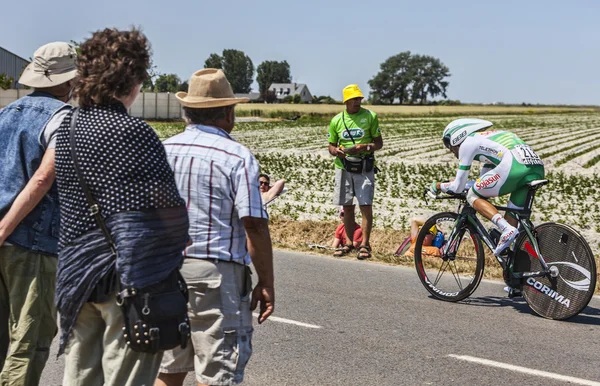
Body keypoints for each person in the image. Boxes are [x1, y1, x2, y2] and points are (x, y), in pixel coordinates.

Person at [54, 28, 189, 385]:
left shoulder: (67, 128)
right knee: (126, 377)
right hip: (127, 279)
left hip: (77, 274)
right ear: (131, 78)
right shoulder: (133, 132)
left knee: (79, 375)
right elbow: (166, 210)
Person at [156, 68, 275, 386]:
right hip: (215, 274)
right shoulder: (237, 156)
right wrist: (266, 280)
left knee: (167, 369)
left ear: (187, 113)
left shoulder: (163, 151)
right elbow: (254, 224)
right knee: (217, 373)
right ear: (227, 113)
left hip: (165, 272)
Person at [0, 41, 76, 385]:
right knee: (29, 339)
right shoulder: (62, 117)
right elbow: (44, 176)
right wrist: (6, 227)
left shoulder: (6, 112)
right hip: (30, 241)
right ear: (69, 82)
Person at [429, 118, 545, 258]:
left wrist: (438, 186)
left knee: (472, 196)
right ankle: (513, 262)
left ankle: (505, 228)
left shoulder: (467, 143)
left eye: (447, 143)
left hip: (514, 165)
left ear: (456, 136)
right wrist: (461, 185)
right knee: (513, 215)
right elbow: (482, 183)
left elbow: (459, 187)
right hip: (536, 167)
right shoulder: (488, 144)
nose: (449, 149)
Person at [328, 84, 383, 259]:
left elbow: (379, 143)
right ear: (346, 101)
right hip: (343, 166)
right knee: (347, 206)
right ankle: (348, 243)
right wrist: (335, 151)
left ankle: (365, 245)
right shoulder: (337, 120)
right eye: (353, 99)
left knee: (365, 205)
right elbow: (331, 145)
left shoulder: (370, 116)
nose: (357, 102)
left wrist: (363, 147)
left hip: (364, 166)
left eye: (359, 99)